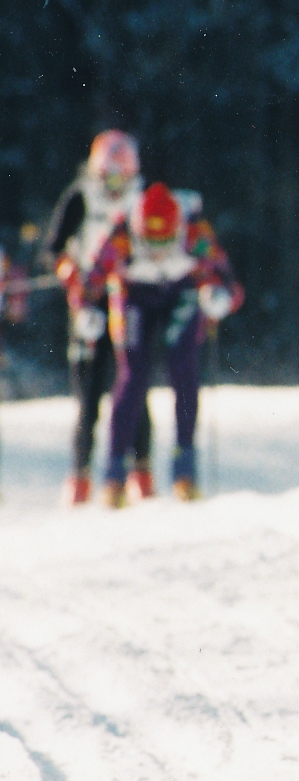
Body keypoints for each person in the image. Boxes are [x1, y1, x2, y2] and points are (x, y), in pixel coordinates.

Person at [85, 183, 243, 506]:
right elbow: (92, 278)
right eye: (150, 241)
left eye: (164, 241)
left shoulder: (194, 232)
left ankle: (185, 468)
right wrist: (86, 308)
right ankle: (115, 473)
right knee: (132, 375)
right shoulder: (122, 230)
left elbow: (226, 276)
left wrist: (220, 296)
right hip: (134, 296)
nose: (157, 249)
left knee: (184, 369)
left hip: (180, 293)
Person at [44, 131, 152, 504]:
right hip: (89, 301)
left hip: (130, 299)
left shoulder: (142, 198)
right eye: (109, 175)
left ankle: (142, 470)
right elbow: (55, 248)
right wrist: (69, 273)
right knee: (89, 393)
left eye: (121, 176)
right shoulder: (81, 195)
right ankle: (80, 475)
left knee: (134, 385)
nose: (115, 184)